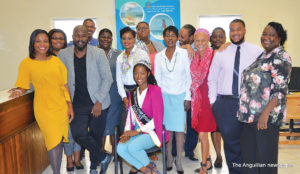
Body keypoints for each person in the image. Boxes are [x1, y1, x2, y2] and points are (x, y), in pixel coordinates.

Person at [9, 29, 74, 174]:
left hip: (60, 107)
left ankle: (56, 171)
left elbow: (65, 85)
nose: (42, 44)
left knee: (59, 142)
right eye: (38, 41)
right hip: (44, 109)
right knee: (53, 142)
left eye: (45, 41)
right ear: (33, 43)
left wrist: (70, 106)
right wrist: (19, 90)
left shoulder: (56, 61)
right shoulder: (26, 63)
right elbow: (23, 84)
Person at [208, 19, 263, 174]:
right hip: (226, 104)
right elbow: (212, 78)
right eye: (232, 30)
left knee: (248, 143)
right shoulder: (221, 53)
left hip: (249, 103)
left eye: (238, 29)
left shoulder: (256, 51)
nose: (235, 32)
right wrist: (213, 102)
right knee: (231, 144)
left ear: (244, 30)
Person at [238, 22, 292, 174]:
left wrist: (265, 114)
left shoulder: (282, 57)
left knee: (265, 161)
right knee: (250, 160)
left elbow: (279, 90)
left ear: (279, 38)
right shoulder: (263, 55)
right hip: (250, 117)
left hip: (265, 119)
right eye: (265, 34)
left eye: (271, 35)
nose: (266, 37)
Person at [58, 25, 113, 174]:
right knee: (78, 134)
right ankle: (103, 157)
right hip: (76, 104)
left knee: (95, 136)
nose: (80, 39)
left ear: (88, 38)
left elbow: (107, 79)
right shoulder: (63, 54)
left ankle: (94, 168)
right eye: (77, 35)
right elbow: (61, 79)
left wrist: (99, 101)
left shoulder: (98, 53)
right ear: (73, 37)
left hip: (98, 103)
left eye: (83, 36)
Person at [117, 53, 168, 174]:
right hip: (136, 130)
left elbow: (157, 119)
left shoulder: (155, 91)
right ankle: (148, 170)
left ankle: (150, 170)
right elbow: (130, 115)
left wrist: (138, 131)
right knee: (120, 148)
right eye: (136, 73)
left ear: (148, 74)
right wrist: (127, 132)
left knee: (133, 147)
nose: (138, 76)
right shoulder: (132, 93)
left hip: (152, 132)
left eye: (142, 73)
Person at [155, 26, 192, 174]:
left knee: (179, 131)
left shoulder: (184, 54)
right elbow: (157, 78)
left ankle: (179, 161)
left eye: (173, 35)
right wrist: (157, 100)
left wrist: (188, 97)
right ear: (163, 38)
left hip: (180, 96)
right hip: (164, 96)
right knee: (167, 131)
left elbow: (189, 77)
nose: (170, 38)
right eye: (167, 35)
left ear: (177, 38)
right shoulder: (159, 56)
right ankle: (169, 157)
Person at [49, 28, 84, 172]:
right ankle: (69, 159)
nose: (58, 41)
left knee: (78, 130)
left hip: (76, 98)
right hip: (58, 101)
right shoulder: (46, 57)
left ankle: (77, 158)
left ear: (65, 41)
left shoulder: (70, 54)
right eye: (55, 38)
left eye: (61, 38)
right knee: (67, 132)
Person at [190, 28, 217, 174]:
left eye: (203, 40)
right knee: (203, 134)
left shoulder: (214, 55)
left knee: (202, 134)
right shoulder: (194, 57)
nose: (200, 43)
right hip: (197, 101)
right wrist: (187, 46)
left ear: (208, 41)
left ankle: (204, 166)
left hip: (208, 100)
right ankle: (209, 161)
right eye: (197, 40)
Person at [98, 28, 122, 161]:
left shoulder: (119, 54)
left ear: (112, 39)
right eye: (103, 37)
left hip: (114, 94)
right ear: (99, 38)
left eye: (108, 37)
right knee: (100, 123)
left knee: (114, 122)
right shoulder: (93, 53)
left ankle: (115, 151)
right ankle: (100, 151)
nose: (106, 39)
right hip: (99, 94)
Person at [175, 24, 199, 162]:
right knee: (177, 121)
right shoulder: (177, 47)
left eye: (182, 36)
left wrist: (190, 47)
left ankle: (190, 150)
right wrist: (186, 46)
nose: (179, 38)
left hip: (194, 92)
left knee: (192, 122)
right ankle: (173, 149)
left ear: (191, 37)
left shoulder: (197, 48)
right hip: (178, 90)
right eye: (179, 35)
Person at [116, 27, 149, 110]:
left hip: (140, 91)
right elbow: (119, 80)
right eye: (124, 38)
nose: (126, 41)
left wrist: (142, 93)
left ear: (134, 39)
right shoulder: (120, 57)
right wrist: (124, 97)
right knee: (127, 120)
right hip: (125, 93)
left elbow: (147, 75)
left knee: (140, 120)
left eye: (129, 38)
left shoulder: (141, 54)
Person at [209, 27, 226, 168]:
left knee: (228, 128)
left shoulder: (231, 51)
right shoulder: (207, 53)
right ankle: (219, 156)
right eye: (215, 36)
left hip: (228, 95)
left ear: (225, 38)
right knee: (214, 128)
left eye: (220, 36)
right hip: (212, 96)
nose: (218, 39)